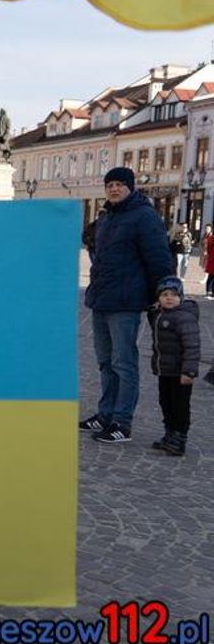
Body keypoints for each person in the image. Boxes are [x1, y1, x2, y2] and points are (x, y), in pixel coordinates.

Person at [79, 166, 173, 443]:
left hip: (126, 302)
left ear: (131, 187)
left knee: (124, 362)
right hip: (102, 299)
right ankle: (105, 413)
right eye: (110, 184)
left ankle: (122, 421)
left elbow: (159, 258)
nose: (114, 189)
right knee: (105, 362)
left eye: (120, 184)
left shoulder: (144, 217)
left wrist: (164, 291)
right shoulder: (107, 217)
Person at [146, 276, 199, 456]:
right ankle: (169, 433)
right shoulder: (161, 314)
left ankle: (179, 438)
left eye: (174, 295)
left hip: (181, 372)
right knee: (166, 402)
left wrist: (189, 371)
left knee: (180, 406)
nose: (169, 298)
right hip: (165, 371)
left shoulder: (184, 317)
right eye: (164, 295)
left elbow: (192, 346)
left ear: (181, 297)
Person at [202, 224, 214, 299]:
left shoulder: (211, 238)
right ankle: (209, 292)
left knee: (211, 276)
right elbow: (209, 248)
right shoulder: (211, 238)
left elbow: (209, 249)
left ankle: (210, 292)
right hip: (213, 259)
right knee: (211, 276)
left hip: (212, 258)